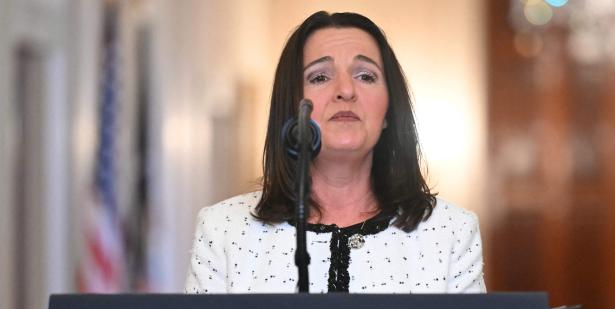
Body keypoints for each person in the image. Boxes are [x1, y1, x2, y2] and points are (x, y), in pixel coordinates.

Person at [185, 11, 485, 294]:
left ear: (390, 110)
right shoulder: (223, 229)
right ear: (290, 104)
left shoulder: (451, 231)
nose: (345, 90)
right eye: (320, 77)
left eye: (365, 76)